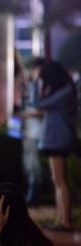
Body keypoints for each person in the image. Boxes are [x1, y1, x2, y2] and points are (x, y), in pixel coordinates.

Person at [35, 62, 77, 231]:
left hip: (59, 138)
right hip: (56, 138)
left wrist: (35, 83)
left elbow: (38, 103)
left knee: (60, 180)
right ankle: (61, 218)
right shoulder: (64, 90)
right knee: (57, 180)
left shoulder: (65, 92)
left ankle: (65, 221)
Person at [22, 58, 46, 206]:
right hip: (29, 131)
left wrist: (25, 115)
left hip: (37, 132)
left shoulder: (42, 86)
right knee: (29, 164)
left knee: (34, 165)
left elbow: (42, 111)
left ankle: (33, 195)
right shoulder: (31, 86)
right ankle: (32, 193)